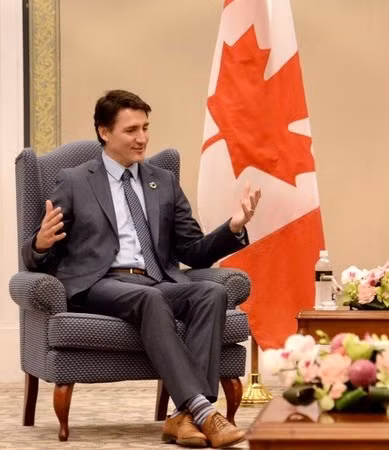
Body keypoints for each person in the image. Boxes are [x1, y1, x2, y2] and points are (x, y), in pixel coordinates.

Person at [22, 90, 261, 449]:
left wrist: (233, 228)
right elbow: (37, 253)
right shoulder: (74, 180)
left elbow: (193, 251)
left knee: (212, 292)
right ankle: (204, 411)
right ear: (104, 132)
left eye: (146, 128)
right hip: (100, 283)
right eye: (131, 130)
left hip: (155, 280)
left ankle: (183, 417)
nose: (142, 138)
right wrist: (40, 244)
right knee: (150, 299)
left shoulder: (162, 181)